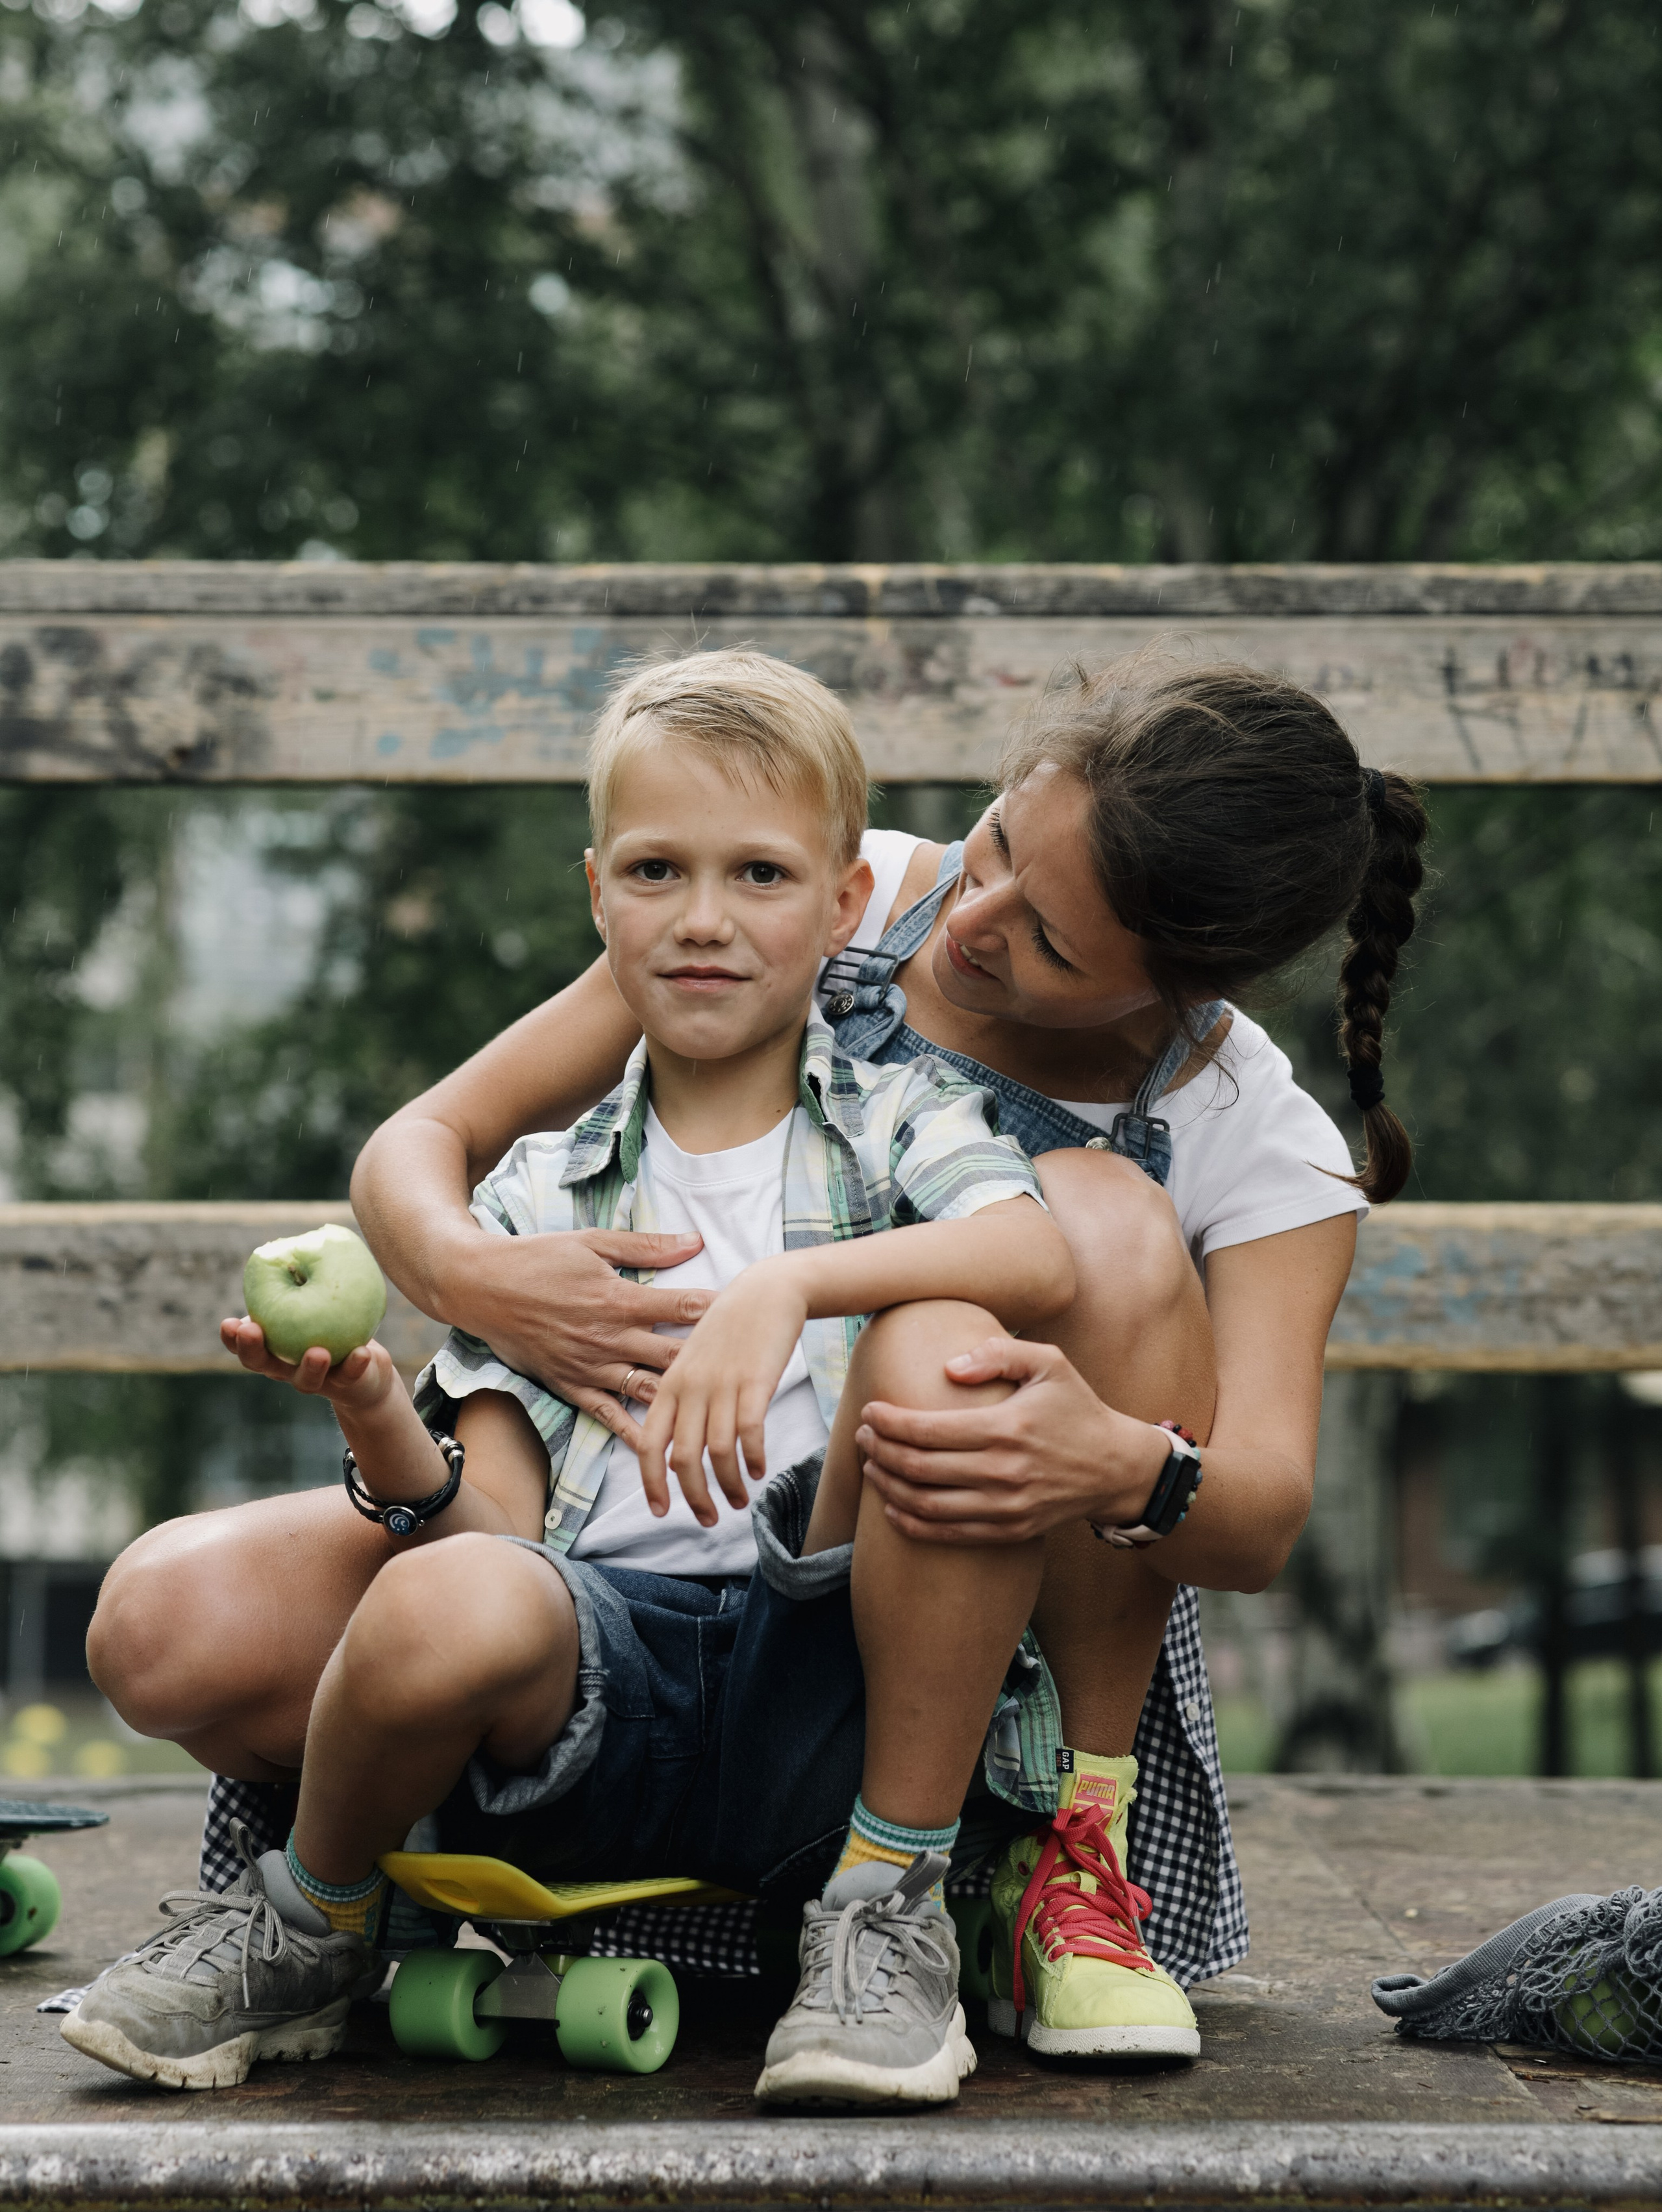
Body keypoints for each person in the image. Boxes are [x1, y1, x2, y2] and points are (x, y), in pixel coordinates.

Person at [88, 649, 1428, 2074]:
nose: (966, 923)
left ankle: (1037, 1858)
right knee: (174, 1623)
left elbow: (1259, 1513)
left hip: (931, 1587)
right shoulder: (783, 894)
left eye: (1045, 940)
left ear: (1173, 988)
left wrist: (1109, 1456)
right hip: (608, 1566)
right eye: (990, 848)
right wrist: (480, 1282)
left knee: (1073, 1237)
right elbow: (424, 1146)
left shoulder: (1248, 1137)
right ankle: (393, 1873)